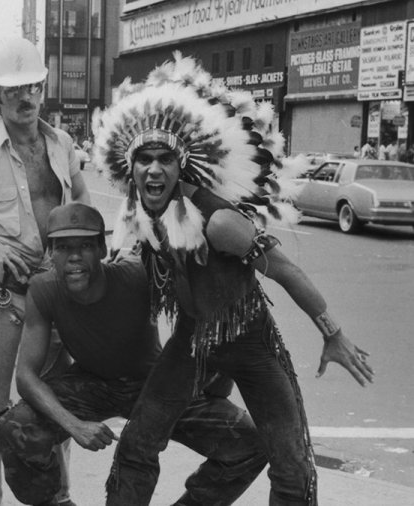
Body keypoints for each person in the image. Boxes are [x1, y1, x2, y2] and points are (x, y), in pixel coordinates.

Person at [93, 53, 374, 505]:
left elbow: (286, 270)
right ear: (131, 166)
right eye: (144, 159)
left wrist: (333, 334)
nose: (153, 170)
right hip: (191, 342)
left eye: (165, 159)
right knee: (138, 443)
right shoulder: (141, 215)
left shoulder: (220, 222)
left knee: (292, 466)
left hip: (251, 343)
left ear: (181, 165)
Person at [0, 202, 267, 506]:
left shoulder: (136, 275)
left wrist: (213, 377)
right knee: (14, 428)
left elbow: (202, 306)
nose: (74, 256)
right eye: (63, 247)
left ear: (101, 248)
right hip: (92, 383)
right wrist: (75, 426)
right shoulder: (43, 289)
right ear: (50, 253)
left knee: (253, 444)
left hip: (154, 383)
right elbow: (26, 375)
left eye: (85, 246)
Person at [0, 36, 89, 506]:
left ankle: (57, 496)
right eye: (13, 90)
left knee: (57, 406)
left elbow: (83, 204)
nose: (25, 97)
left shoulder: (62, 143)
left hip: (57, 297)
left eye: (32, 87)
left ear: (43, 89)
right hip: (1, 299)